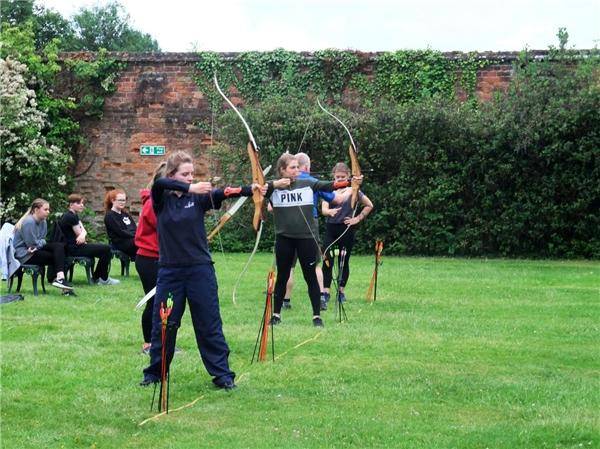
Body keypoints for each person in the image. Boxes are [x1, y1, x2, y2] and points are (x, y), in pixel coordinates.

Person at [141, 150, 267, 389]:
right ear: (172, 174)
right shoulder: (161, 198)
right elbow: (159, 184)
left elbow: (225, 192)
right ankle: (155, 373)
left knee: (208, 323)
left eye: (192, 174)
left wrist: (252, 189)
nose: (190, 178)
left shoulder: (199, 198)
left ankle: (223, 375)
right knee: (165, 324)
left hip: (200, 270)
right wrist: (192, 188)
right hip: (170, 272)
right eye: (185, 174)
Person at [266, 153, 358, 328]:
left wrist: (351, 182)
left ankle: (316, 316)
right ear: (282, 170)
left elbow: (330, 185)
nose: (297, 170)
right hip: (284, 239)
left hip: (306, 239)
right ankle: (276, 315)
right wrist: (277, 184)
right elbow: (258, 188)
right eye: (292, 168)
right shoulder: (273, 188)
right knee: (282, 277)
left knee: (311, 278)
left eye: (297, 167)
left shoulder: (307, 182)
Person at [281, 152, 349, 310]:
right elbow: (337, 199)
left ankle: (285, 301)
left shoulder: (284, 181)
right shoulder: (312, 181)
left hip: (288, 225)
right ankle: (321, 298)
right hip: (309, 225)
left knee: (288, 266)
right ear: (307, 166)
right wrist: (352, 190)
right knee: (315, 264)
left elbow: (271, 207)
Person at [321, 162, 373, 305]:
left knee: (344, 261)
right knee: (327, 260)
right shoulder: (329, 190)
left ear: (349, 176)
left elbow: (369, 205)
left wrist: (357, 218)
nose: (339, 179)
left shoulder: (354, 190)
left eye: (343, 177)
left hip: (346, 229)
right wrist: (329, 211)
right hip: (331, 229)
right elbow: (324, 208)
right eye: (337, 177)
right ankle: (325, 291)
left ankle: (341, 292)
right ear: (333, 177)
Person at [135, 162, 165, 355]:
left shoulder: (161, 202)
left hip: (160, 258)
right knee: (154, 301)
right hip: (149, 259)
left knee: (162, 301)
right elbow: (166, 227)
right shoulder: (152, 204)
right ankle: (148, 344)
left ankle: (160, 343)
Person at [13, 198, 74, 292]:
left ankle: (60, 279)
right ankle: (63, 285)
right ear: (36, 210)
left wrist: (40, 243)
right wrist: (40, 243)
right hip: (25, 254)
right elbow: (32, 244)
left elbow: (42, 240)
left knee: (59, 246)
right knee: (58, 256)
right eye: (45, 209)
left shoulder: (43, 221)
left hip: (34, 250)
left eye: (48, 209)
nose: (48, 212)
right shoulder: (29, 222)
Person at [58, 194, 120, 285]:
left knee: (105, 249)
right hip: (74, 248)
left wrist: (84, 233)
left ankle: (99, 277)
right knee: (106, 249)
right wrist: (83, 233)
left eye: (82, 203)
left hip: (73, 247)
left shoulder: (71, 215)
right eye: (78, 203)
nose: (82, 205)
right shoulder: (71, 217)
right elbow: (80, 235)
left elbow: (82, 232)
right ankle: (101, 278)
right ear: (71, 205)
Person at [104, 189, 137, 259]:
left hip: (132, 240)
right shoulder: (110, 216)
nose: (122, 202)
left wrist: (137, 235)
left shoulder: (126, 214)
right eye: (120, 200)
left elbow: (134, 228)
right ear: (113, 200)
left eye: (124, 200)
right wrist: (136, 236)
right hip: (121, 243)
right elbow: (120, 232)